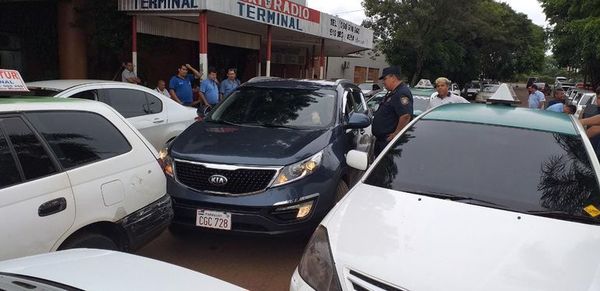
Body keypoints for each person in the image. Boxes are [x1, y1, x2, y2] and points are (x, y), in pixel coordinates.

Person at [371, 66, 413, 157]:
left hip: (389, 141)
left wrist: (397, 133)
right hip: (382, 140)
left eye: (385, 79)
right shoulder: (393, 92)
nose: (383, 82)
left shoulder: (401, 93)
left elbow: (405, 115)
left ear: (393, 78)